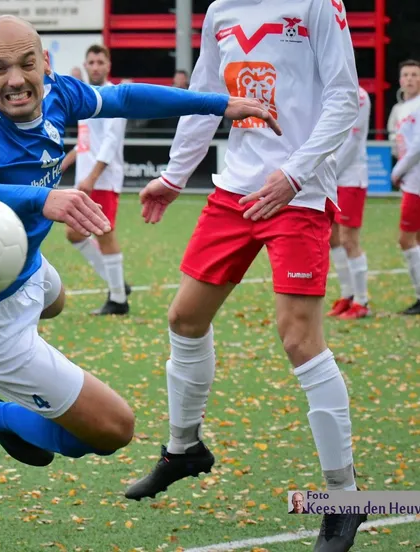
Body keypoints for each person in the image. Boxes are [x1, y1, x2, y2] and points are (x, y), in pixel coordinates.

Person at [0, 15, 277, 470]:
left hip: (24, 267)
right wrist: (44, 198)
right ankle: (2, 415)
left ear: (46, 64)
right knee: (112, 430)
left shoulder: (58, 93)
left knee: (55, 301)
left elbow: (125, 97)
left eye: (26, 64)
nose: (15, 80)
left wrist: (218, 104)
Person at [124, 1, 366, 549]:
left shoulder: (316, 4)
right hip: (235, 191)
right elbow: (206, 101)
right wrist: (173, 175)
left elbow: (343, 97)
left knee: (299, 337)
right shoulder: (220, 10)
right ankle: (184, 449)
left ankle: (345, 495)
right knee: (185, 318)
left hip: (298, 194)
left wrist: (294, 173)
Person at [61, 44, 131, 315]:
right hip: (87, 180)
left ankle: (118, 300)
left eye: (100, 61)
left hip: (102, 179)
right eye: (91, 62)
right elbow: (86, 141)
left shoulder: (114, 96)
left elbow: (110, 143)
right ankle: (118, 285)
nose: (96, 66)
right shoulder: (87, 97)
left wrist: (91, 176)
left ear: (108, 65)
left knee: (104, 234)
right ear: (86, 65)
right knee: (73, 233)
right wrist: (64, 163)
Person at [327, 87, 372, 319]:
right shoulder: (325, 87)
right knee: (332, 237)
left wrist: (330, 172)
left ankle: (362, 301)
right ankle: (348, 295)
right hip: (330, 176)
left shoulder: (359, 95)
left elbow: (353, 139)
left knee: (348, 239)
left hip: (350, 177)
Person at [390, 59, 420, 315]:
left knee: (406, 239)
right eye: (406, 75)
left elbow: (417, 146)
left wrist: (397, 171)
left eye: (414, 75)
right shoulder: (402, 108)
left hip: (415, 182)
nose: (409, 79)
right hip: (410, 180)